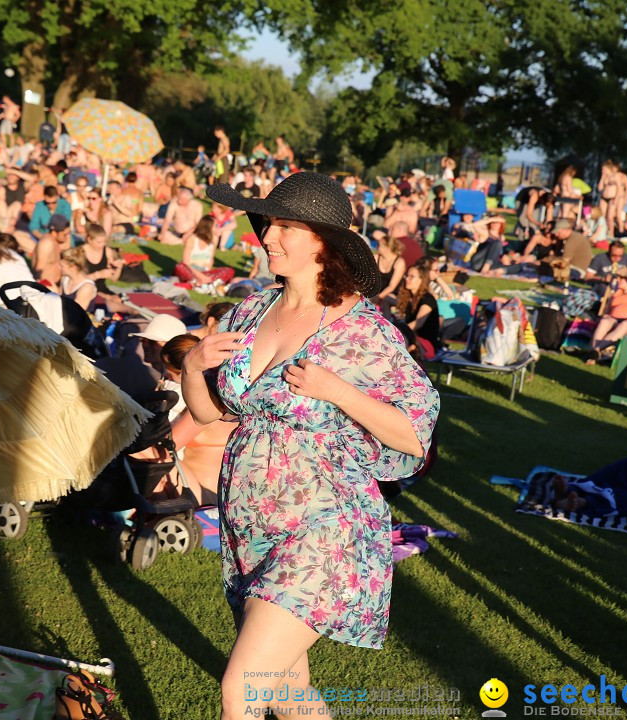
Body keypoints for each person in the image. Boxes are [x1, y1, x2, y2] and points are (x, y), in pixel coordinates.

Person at [183, 172, 438, 719]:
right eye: (268, 224)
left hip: (325, 528)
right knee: (287, 695)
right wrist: (190, 369)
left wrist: (336, 390)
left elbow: (415, 433)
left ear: (323, 241)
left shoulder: (363, 329)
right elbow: (212, 413)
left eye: (285, 226)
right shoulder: (251, 312)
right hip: (252, 525)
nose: (267, 237)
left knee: (243, 690)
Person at [587, 266, 627, 362]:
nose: (618, 279)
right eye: (618, 277)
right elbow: (607, 311)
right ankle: (594, 354)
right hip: (614, 319)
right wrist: (606, 315)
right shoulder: (616, 294)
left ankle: (595, 350)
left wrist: (626, 272)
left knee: (624, 325)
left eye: (622, 278)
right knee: (604, 322)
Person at [394, 258, 442, 356]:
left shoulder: (428, 299)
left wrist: (395, 330)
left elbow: (418, 323)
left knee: (396, 344)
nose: (407, 279)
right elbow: (387, 300)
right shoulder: (408, 297)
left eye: (412, 277)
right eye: (407, 275)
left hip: (426, 344)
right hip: (410, 338)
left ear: (422, 280)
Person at [174, 216, 235, 290]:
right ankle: (205, 283)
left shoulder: (214, 239)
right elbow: (186, 263)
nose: (218, 228)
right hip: (191, 271)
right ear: (207, 228)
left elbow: (210, 260)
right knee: (180, 267)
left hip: (205, 272)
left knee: (229, 270)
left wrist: (207, 275)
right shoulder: (192, 239)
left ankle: (196, 283)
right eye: (215, 226)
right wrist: (202, 277)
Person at [372, 233, 406, 310]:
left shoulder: (399, 262)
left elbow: (392, 287)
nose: (377, 247)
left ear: (387, 248)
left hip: (391, 294)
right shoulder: (376, 258)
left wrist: (378, 297)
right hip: (376, 293)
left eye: (379, 245)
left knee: (387, 298)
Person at [59, 247, 98, 313]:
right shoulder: (65, 279)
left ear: (73, 267)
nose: (59, 268)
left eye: (62, 266)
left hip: (77, 321)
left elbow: (76, 313)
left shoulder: (87, 287)